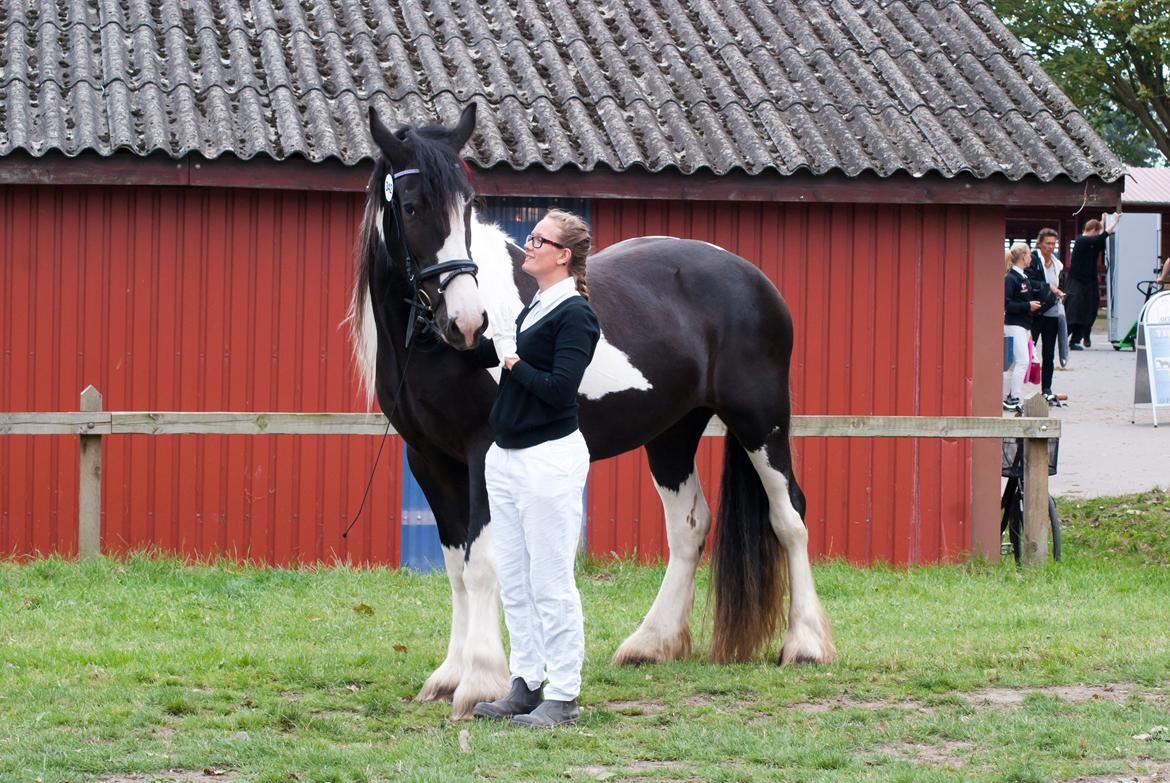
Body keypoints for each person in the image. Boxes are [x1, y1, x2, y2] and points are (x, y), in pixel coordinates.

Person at [469, 209, 601, 728]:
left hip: (549, 459)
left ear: (563, 255)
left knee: (550, 580)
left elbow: (558, 389)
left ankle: (564, 694)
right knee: (517, 580)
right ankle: (526, 683)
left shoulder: (576, 315)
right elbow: (489, 349)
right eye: (531, 237)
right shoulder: (534, 307)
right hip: (507, 456)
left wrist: (511, 360)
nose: (529, 245)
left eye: (538, 239)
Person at [1065, 213, 1120, 349]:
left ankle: (1078, 339)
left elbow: (1098, 238)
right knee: (1074, 310)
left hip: (1089, 281)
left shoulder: (1091, 242)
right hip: (1076, 281)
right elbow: (1100, 237)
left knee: (1089, 310)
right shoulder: (1081, 240)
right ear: (1093, 231)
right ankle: (1064, 336)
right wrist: (1114, 222)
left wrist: (1102, 221)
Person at [1026, 228, 1064, 405]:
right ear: (1040, 243)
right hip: (1035, 311)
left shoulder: (1057, 264)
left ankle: (1046, 389)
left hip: (1052, 312)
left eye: (1053, 243)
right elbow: (1028, 281)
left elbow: (1059, 283)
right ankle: (1017, 387)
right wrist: (1048, 286)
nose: (1051, 247)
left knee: (1049, 353)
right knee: (1027, 350)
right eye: (1047, 243)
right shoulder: (1032, 260)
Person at [1004, 242, 1042, 413]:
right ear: (1023, 256)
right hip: (1013, 325)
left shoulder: (1023, 277)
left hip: (1023, 325)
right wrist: (1028, 306)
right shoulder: (1011, 278)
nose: (1031, 258)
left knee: (1011, 365)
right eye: (1028, 254)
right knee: (1022, 361)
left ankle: (1005, 397)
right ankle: (1015, 397)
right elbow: (1007, 304)